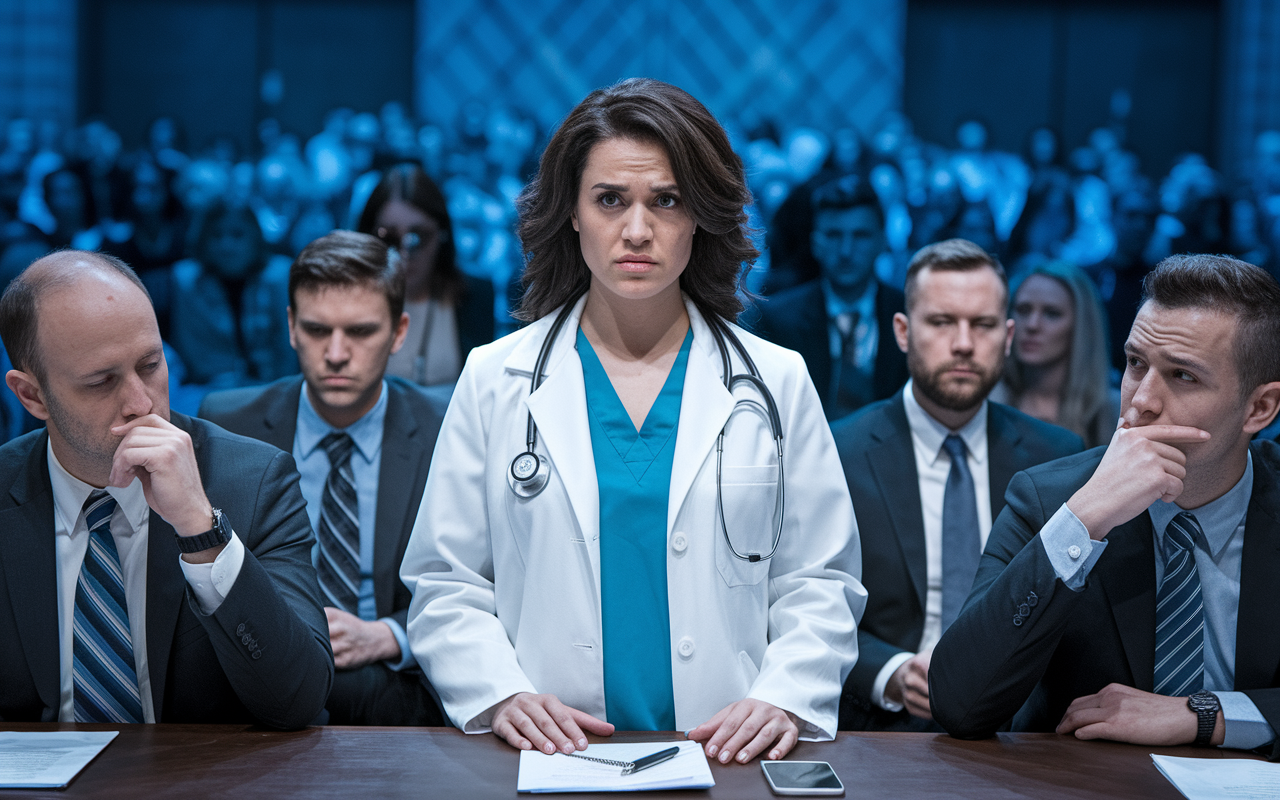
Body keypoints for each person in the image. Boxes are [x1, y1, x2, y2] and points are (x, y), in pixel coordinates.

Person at [400, 78, 864, 764]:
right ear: (573, 215)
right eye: (610, 200)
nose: (638, 230)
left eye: (666, 201)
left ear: (701, 217)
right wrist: (498, 692)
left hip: (724, 753)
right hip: (554, 755)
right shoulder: (497, 378)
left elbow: (818, 580)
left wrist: (786, 695)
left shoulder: (776, 382)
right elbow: (447, 583)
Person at [931, 254, 1280, 757]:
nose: (1141, 402)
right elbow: (958, 702)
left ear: (1259, 408)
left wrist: (1205, 715)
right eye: (1136, 364)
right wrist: (1083, 520)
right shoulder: (1050, 497)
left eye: (1183, 376)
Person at [0, 250, 331, 726]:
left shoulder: (255, 480)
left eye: (151, 365)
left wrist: (202, 532)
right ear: (32, 396)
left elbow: (299, 700)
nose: (141, 403)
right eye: (101, 382)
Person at [831, 239, 1083, 732]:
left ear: (1008, 337)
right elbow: (806, 601)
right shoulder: (839, 452)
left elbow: (1072, 615)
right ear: (903, 332)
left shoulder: (1057, 455)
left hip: (1022, 731)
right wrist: (890, 672)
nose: (964, 343)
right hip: (881, 727)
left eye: (983, 325)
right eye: (942, 322)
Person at [199, 231, 449, 726]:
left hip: (393, 686)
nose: (336, 353)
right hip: (257, 683)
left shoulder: (445, 427)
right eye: (316, 330)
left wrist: (390, 635)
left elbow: (485, 578)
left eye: (360, 332)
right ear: (291, 327)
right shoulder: (229, 423)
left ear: (399, 332)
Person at [755, 175, 908, 419]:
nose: (846, 251)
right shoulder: (775, 320)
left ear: (882, 241)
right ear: (816, 242)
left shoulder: (910, 314)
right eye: (834, 235)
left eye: (860, 236)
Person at [356, 164, 494, 386]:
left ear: (442, 235)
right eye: (389, 238)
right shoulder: (345, 300)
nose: (404, 253)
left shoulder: (474, 295)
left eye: (418, 237)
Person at [992, 261, 1119, 448]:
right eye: (1023, 310)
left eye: (1052, 314)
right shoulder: (990, 400)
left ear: (1081, 327)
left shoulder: (1112, 412)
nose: (1032, 325)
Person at [169, 200, 295, 386]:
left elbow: (288, 347)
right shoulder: (187, 280)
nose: (226, 246)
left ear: (255, 237)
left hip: (275, 386)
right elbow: (192, 350)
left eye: (237, 235)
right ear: (203, 239)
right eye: (216, 235)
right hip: (213, 388)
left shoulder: (278, 276)